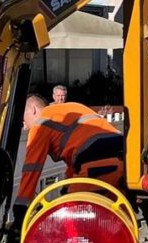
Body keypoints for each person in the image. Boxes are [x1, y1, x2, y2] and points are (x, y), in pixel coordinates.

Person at [13, 94, 124, 222]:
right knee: (117, 222)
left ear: (33, 109)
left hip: (96, 163)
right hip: (122, 156)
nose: (24, 126)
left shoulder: (41, 123)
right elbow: (77, 157)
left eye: (23, 119)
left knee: (68, 222)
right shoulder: (71, 108)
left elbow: (31, 168)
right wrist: (66, 188)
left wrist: (20, 210)